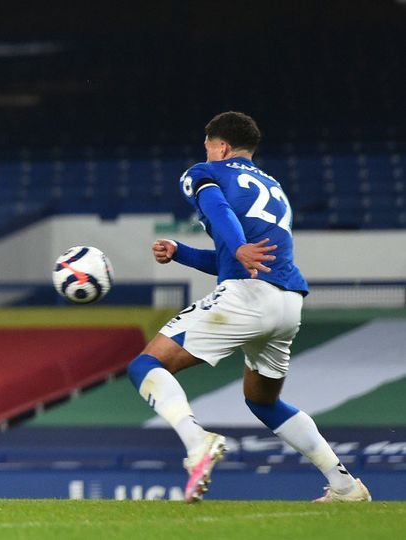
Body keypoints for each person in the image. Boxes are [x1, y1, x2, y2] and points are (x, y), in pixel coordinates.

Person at [127, 111, 371, 503]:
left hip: (247, 297)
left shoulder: (205, 172)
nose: (204, 152)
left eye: (207, 145)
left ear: (220, 146)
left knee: (144, 365)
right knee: (263, 400)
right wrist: (180, 252)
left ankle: (197, 443)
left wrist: (237, 245)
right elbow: (233, 258)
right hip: (288, 303)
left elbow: (222, 219)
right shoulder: (272, 186)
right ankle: (344, 486)